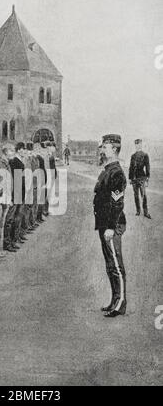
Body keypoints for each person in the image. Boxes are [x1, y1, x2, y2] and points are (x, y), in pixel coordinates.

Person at [94, 134, 127, 318]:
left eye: (105, 147)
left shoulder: (116, 173)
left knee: (116, 264)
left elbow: (117, 202)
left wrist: (111, 227)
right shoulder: (108, 170)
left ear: (114, 149)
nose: (102, 150)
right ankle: (115, 300)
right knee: (110, 265)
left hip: (111, 225)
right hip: (104, 224)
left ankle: (120, 302)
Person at [0, 143, 15, 256]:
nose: (13, 153)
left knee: (1, 225)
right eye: (11, 151)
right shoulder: (0, 164)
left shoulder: (7, 163)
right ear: (6, 152)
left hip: (6, 199)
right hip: (0, 199)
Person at [9, 142, 27, 246]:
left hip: (21, 192)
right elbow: (15, 180)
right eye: (23, 149)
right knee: (15, 217)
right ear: (19, 150)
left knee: (19, 216)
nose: (25, 151)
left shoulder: (19, 160)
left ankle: (16, 237)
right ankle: (13, 240)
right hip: (17, 193)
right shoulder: (14, 161)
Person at [129, 139, 151, 219]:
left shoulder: (145, 155)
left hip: (142, 178)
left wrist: (147, 177)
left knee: (144, 195)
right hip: (134, 179)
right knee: (136, 195)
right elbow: (131, 167)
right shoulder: (133, 156)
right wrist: (130, 178)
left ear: (141, 145)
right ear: (135, 145)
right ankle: (138, 211)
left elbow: (147, 167)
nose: (138, 145)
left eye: (139, 144)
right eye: (136, 144)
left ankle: (146, 212)